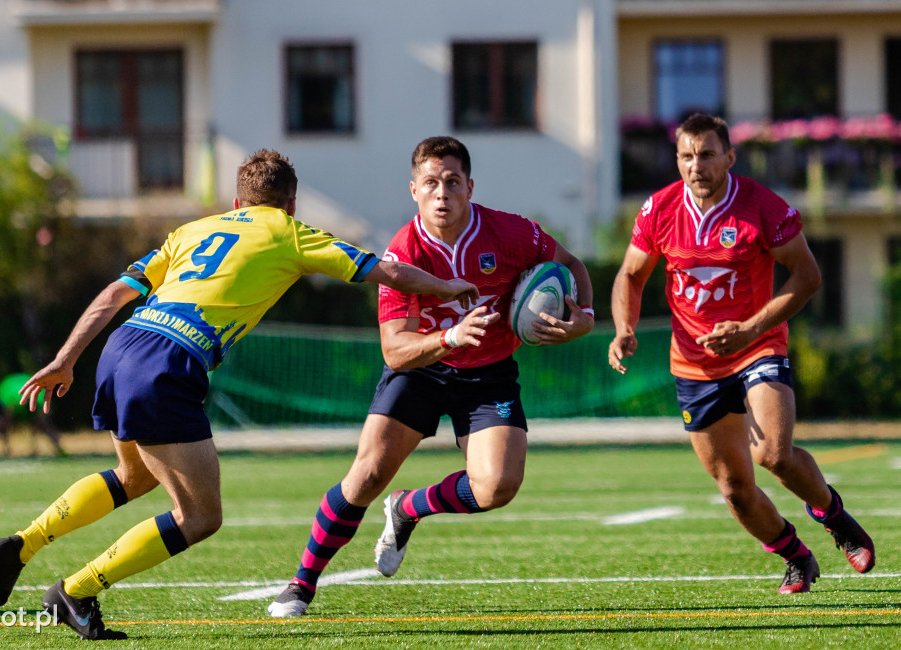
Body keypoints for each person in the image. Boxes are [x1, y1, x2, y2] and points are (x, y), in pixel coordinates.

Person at [0, 149, 479, 640]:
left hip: (123, 345)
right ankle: (76, 591)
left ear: (238, 203)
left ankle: (23, 544)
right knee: (200, 516)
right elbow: (387, 270)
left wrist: (65, 359)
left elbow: (114, 294)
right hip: (169, 363)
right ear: (290, 204)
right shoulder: (288, 232)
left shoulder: (193, 229)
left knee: (133, 478)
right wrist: (446, 286)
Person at [267, 136, 595, 617]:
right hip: (421, 369)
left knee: (497, 487)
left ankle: (409, 508)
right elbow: (396, 352)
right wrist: (450, 338)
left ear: (469, 187)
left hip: (488, 373)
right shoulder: (402, 252)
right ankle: (301, 582)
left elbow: (570, 264)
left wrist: (583, 315)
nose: (442, 193)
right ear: (414, 190)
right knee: (366, 476)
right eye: (431, 183)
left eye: (452, 182)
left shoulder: (510, 233)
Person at [607, 113, 875, 594]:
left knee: (774, 454)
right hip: (693, 364)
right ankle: (796, 557)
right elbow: (630, 274)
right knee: (735, 490)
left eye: (707, 154)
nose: (696, 166)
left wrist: (750, 328)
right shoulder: (658, 210)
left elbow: (807, 277)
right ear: (677, 160)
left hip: (757, 347)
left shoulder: (762, 207)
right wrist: (624, 328)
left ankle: (836, 518)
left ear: (729, 157)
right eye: (687, 156)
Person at [0, 372, 65, 458]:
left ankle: (57, 450)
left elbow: (40, 415)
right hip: (9, 398)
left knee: (43, 424)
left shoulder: (39, 395)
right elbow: (7, 414)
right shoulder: (7, 395)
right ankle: (1, 450)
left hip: (22, 399)